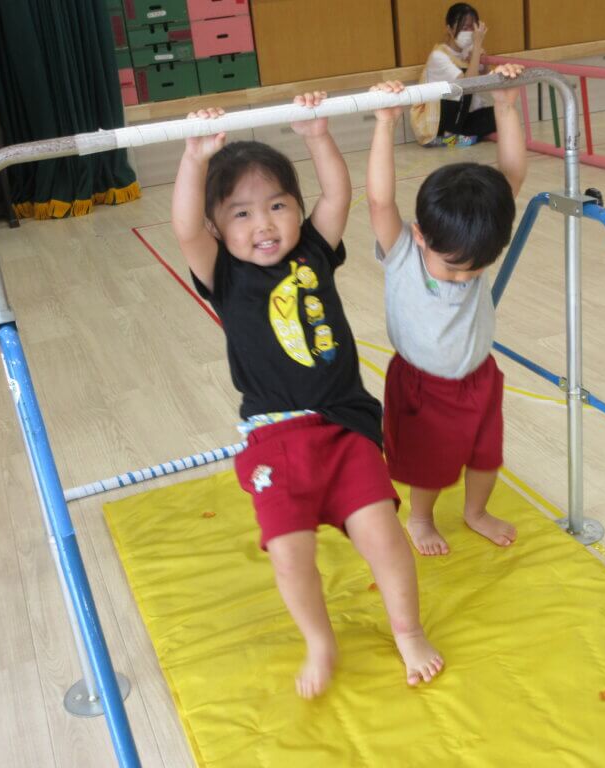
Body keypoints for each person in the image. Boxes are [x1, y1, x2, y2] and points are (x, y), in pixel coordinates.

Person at [171, 92, 443, 699]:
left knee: (383, 536)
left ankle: (408, 630)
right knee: (289, 552)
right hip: (275, 438)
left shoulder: (314, 249)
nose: (264, 224)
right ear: (218, 228)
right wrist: (193, 158)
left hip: (345, 426)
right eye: (242, 214)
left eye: (277, 205)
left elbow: (338, 196)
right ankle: (320, 641)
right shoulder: (224, 275)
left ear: (297, 209)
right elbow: (185, 227)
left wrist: (318, 136)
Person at [367, 64, 527, 557]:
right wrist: (386, 123)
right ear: (421, 235)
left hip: (479, 377)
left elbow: (512, 176)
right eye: (454, 268)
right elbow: (379, 201)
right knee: (428, 464)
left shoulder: (474, 241)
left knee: (486, 455)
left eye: (476, 270)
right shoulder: (403, 253)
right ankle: (420, 517)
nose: (464, 278)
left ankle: (476, 511)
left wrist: (505, 106)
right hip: (423, 385)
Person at [410, 3, 495, 148]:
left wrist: (480, 55)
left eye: (472, 28)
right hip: (435, 123)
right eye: (464, 28)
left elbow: (485, 76)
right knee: (462, 89)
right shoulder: (438, 56)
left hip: (460, 117)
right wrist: (477, 46)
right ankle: (447, 138)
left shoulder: (468, 51)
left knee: (497, 115)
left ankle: (460, 137)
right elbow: (469, 84)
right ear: (449, 29)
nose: (469, 32)